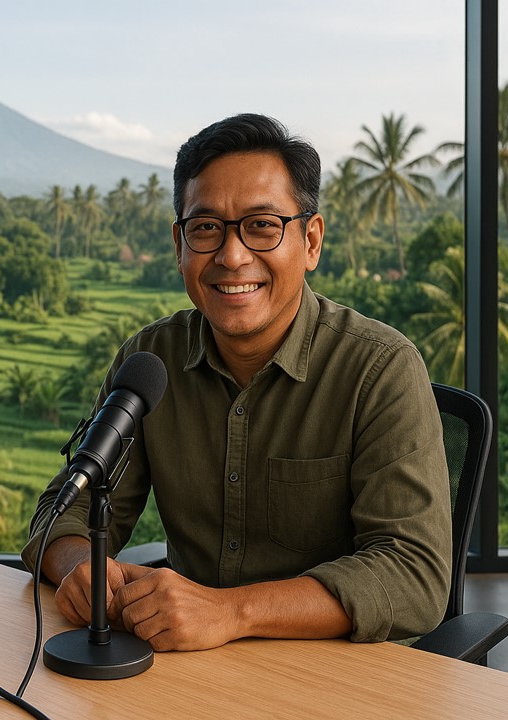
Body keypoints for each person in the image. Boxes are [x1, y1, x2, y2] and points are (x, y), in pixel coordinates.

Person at [22, 114, 452, 651]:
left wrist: (232, 612)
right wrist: (77, 563)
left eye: (262, 225)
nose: (231, 255)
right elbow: (68, 508)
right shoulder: (150, 360)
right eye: (206, 228)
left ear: (311, 241)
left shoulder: (379, 369)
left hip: (339, 676)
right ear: (181, 245)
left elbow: (414, 575)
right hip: (186, 668)